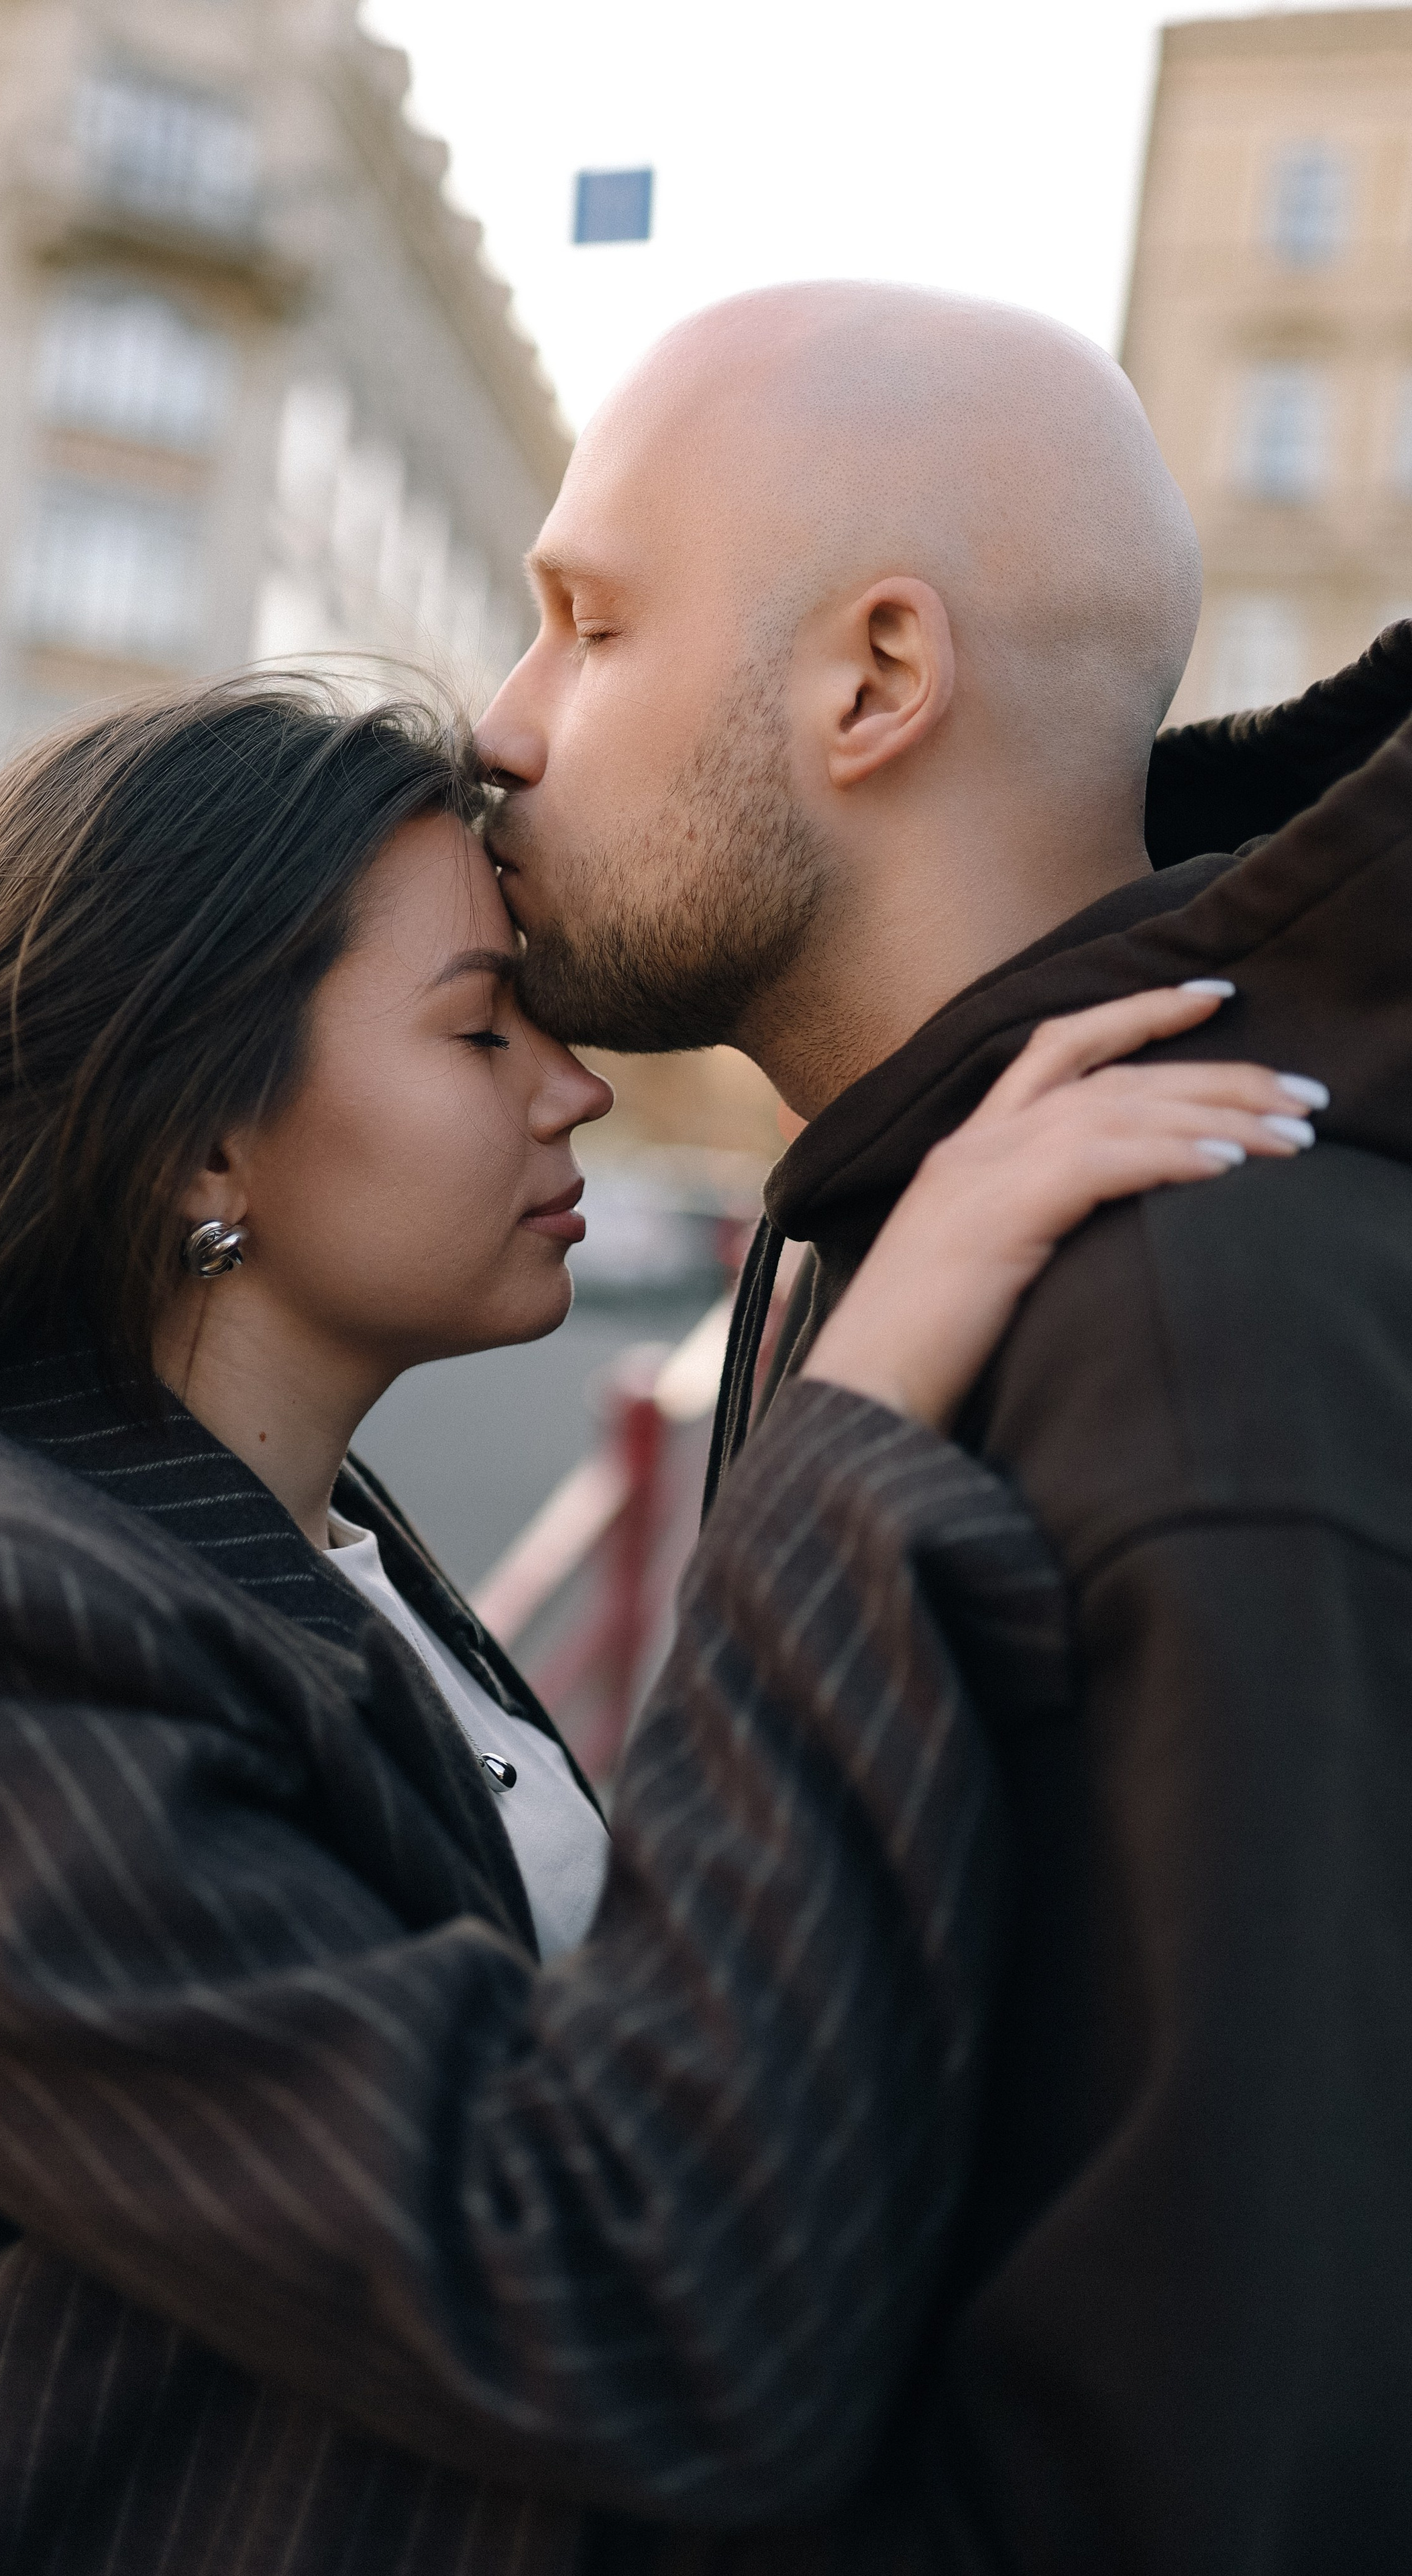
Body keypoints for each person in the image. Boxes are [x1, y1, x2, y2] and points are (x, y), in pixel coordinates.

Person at [0, 676, 1307, 2576]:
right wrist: (851, 1433)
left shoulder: (308, 1546)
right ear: (198, 1142)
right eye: (483, 1030)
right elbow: (616, 2295)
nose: (579, 1088)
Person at [476, 280, 1412, 2572]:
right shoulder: (929, 1228)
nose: (498, 726)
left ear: (874, 682)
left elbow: (1195, 2472)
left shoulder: (1198, 1326)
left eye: (586, 625)